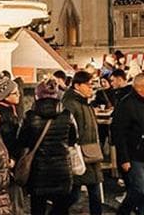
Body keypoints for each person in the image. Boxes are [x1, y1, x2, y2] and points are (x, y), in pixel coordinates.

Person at [17, 79, 79, 215]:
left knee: (37, 208)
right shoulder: (67, 115)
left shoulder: (29, 116)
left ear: (37, 95)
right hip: (62, 170)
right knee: (61, 209)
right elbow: (73, 140)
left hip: (38, 171)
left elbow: (22, 141)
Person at [112, 71, 144, 215]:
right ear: (138, 87)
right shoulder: (126, 105)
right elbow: (118, 133)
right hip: (134, 156)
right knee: (138, 189)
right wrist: (124, 158)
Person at [62, 70, 104, 215]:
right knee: (73, 194)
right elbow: (67, 130)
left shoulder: (86, 104)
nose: (91, 88)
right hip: (77, 155)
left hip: (91, 153)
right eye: (89, 85)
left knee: (94, 192)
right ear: (77, 85)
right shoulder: (70, 104)